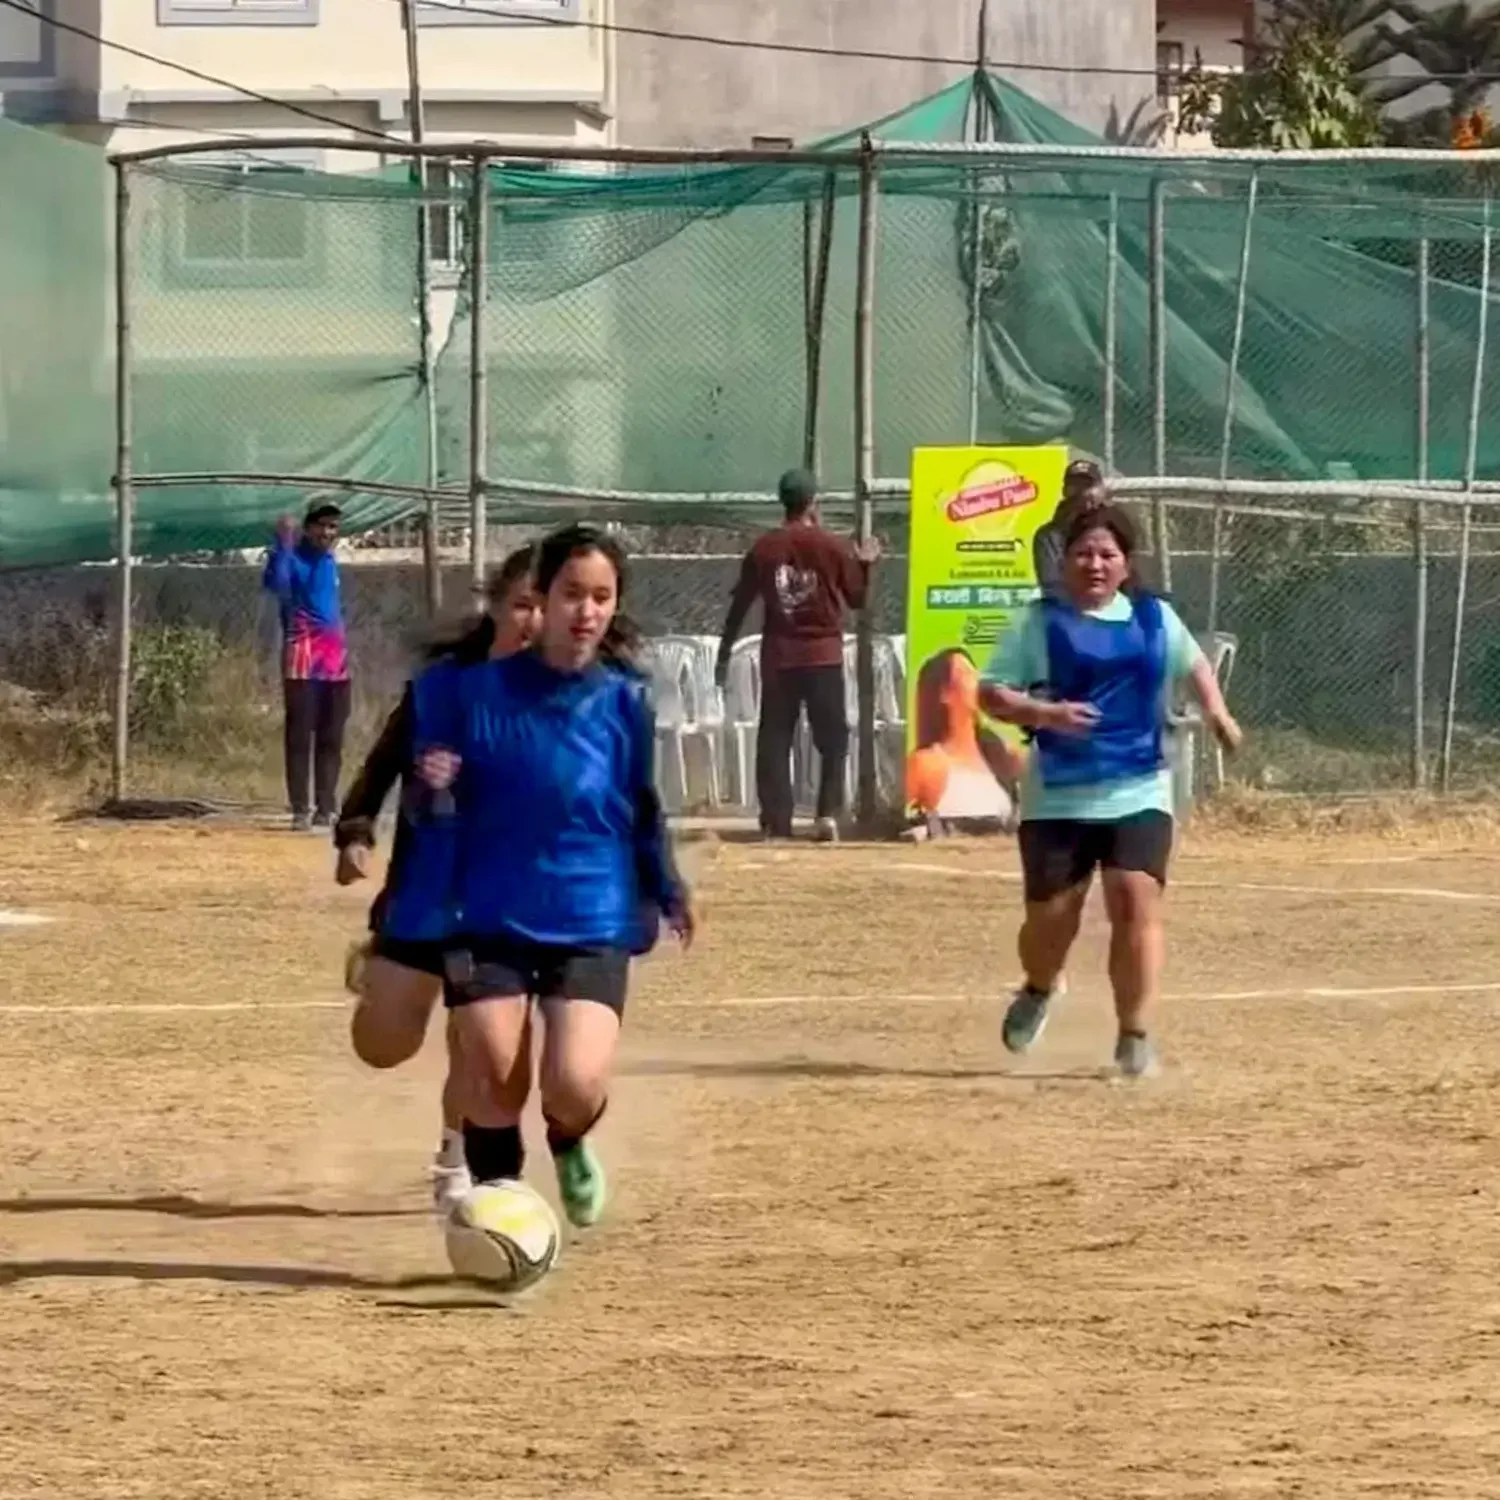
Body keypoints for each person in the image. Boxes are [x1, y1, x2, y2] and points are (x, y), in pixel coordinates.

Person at [412, 523, 694, 1228]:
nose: (586, 611)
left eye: (602, 596)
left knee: (570, 1084)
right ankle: (501, 1213)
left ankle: (569, 1138)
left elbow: (641, 804)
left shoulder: (624, 701)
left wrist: (667, 885)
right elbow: (423, 803)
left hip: (591, 913)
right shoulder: (468, 693)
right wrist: (434, 785)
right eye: (573, 594)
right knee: (493, 1076)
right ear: (541, 598)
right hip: (486, 911)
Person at [978, 502, 1241, 1078]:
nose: (1094, 563)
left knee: (1134, 898)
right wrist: (1045, 713)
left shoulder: (1153, 618)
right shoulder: (1038, 622)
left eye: (1107, 554)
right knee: (1052, 922)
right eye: (1083, 553)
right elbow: (990, 693)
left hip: (1139, 786)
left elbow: (1194, 663)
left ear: (1126, 564)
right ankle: (1040, 986)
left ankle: (1134, 1034)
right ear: (1065, 562)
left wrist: (1217, 712)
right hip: (1060, 795)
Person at [337, 544, 540, 1213]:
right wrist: (356, 830)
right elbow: (384, 763)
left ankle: (457, 1157)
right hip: (421, 895)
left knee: (477, 1036)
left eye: (550, 605)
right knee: (383, 1046)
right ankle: (378, 972)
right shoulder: (443, 688)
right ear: (497, 606)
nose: (536, 620)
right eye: (523, 605)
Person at [714, 468, 881, 842]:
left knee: (775, 738)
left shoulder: (764, 549)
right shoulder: (833, 546)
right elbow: (858, 600)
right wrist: (866, 565)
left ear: (783, 502)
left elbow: (740, 606)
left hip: (780, 655)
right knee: (834, 738)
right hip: (823, 655)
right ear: (813, 502)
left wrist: (724, 653)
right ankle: (826, 814)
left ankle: (777, 820)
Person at [262, 502, 350, 831]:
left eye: (333, 527)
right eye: (322, 526)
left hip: (335, 663)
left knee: (332, 736)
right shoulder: (291, 557)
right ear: (308, 527)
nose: (328, 533)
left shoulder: (329, 560)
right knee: (300, 736)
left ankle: (326, 805)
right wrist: (283, 544)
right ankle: (301, 807)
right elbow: (278, 585)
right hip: (302, 660)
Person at [904, 647, 1023, 828]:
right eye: (968, 675)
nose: (979, 683)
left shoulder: (1003, 755)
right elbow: (904, 824)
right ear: (945, 693)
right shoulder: (928, 764)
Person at [1032, 458, 1105, 598]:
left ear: (1102, 489)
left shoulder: (1117, 528)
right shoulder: (1048, 536)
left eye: (1088, 486)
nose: (1082, 492)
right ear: (1064, 491)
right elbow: (1052, 585)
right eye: (1075, 486)